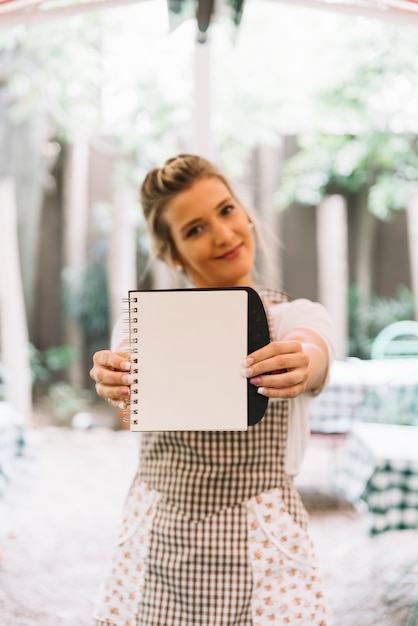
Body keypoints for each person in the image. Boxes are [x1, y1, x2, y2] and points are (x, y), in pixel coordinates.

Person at [90, 154, 334, 626]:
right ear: (172, 252)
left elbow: (315, 353)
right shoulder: (143, 324)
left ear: (245, 214)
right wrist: (113, 375)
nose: (222, 234)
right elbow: (123, 360)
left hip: (266, 539)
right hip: (162, 537)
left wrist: (304, 362)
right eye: (195, 229)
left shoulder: (293, 318)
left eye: (226, 211)